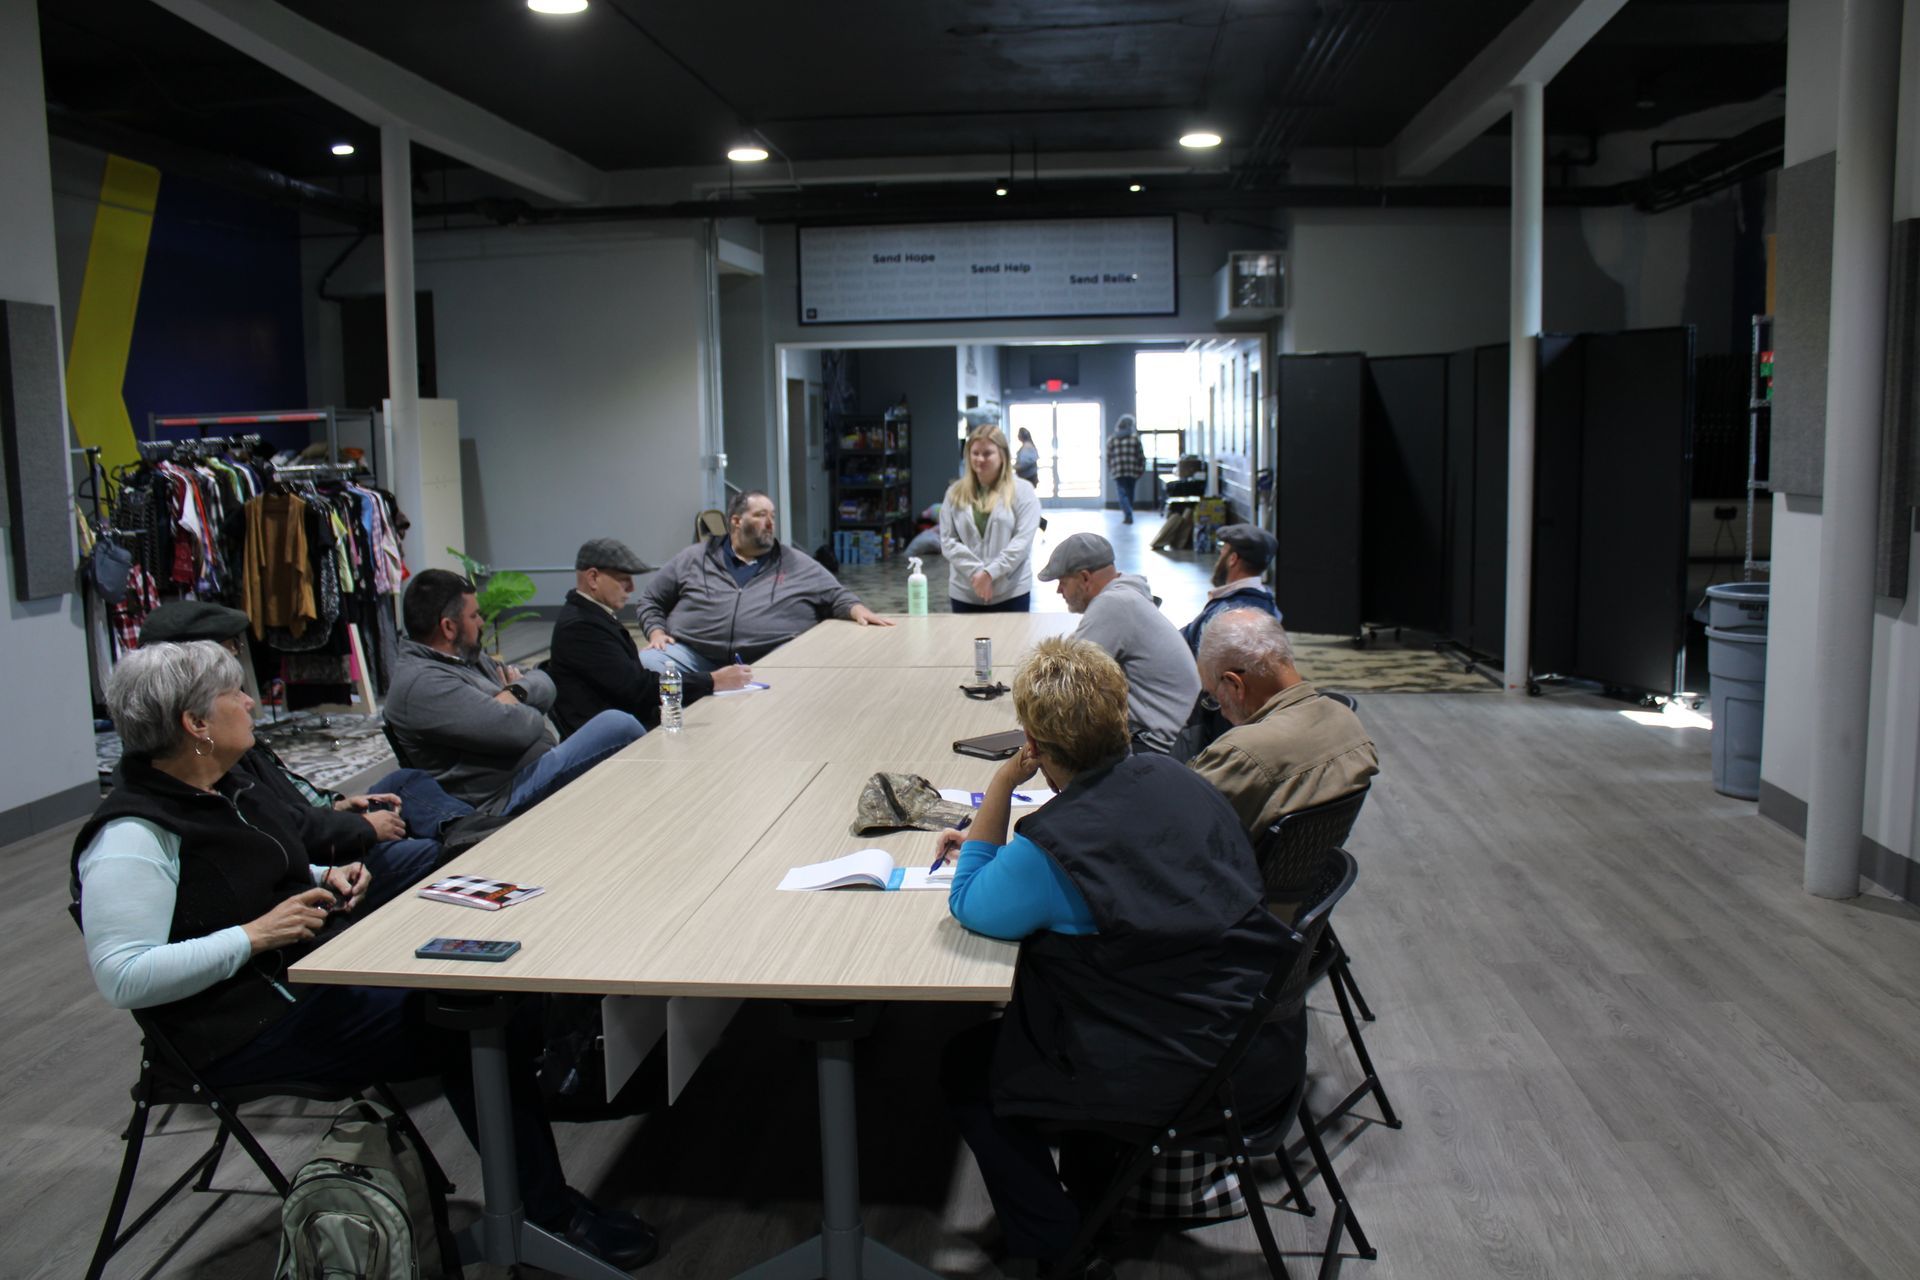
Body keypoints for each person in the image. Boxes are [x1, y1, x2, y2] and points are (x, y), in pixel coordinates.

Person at [71, 641, 658, 1268]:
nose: (250, 702)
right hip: (244, 1029)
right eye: (234, 694)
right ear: (196, 724)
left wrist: (324, 874)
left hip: (304, 974)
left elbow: (260, 865)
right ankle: (547, 1213)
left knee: (483, 982)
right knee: (464, 1014)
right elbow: (123, 975)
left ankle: (546, 1171)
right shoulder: (132, 836)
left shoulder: (226, 782)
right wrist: (254, 935)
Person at [929, 636, 1303, 1278]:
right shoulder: (1179, 777)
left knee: (968, 1064)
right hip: (1258, 1041)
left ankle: (1059, 1244)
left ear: (1034, 745)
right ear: (1120, 716)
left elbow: (970, 903)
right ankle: (1096, 1194)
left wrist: (1000, 783)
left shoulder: (1053, 849)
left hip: (1184, 1072)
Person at [137, 600, 472, 909]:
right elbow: (282, 830)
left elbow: (283, 802)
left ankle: (471, 833)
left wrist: (337, 806)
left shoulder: (217, 749)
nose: (248, 700)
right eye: (229, 651)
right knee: (425, 853)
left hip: (314, 838)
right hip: (311, 858)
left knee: (406, 783)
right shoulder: (203, 760)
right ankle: (467, 845)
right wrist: (362, 828)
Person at [385, 569, 645, 816]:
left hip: (532, 770)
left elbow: (544, 680)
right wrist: (525, 703)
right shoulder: (424, 684)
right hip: (503, 799)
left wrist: (513, 693)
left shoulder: (465, 657)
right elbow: (520, 730)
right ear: (448, 627)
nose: (482, 622)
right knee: (617, 726)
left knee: (617, 725)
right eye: (474, 616)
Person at [635, 490, 892, 676]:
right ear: (736, 521)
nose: (770, 524)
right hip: (695, 656)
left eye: (773, 516)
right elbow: (651, 600)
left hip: (770, 660)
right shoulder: (694, 558)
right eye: (760, 516)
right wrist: (656, 632)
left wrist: (857, 609)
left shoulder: (795, 562)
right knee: (646, 664)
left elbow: (836, 595)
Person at [1190, 609, 1379, 847]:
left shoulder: (1240, 753)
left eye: (1213, 696)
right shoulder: (1349, 722)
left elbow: (1177, 829)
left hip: (1239, 869)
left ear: (1235, 684)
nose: (1221, 711)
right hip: (1308, 866)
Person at [548, 537, 754, 737]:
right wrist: (712, 680)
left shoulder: (592, 617)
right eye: (623, 579)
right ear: (593, 578)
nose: (631, 588)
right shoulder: (581, 627)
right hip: (607, 740)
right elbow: (637, 688)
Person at [1037, 533, 1200, 755]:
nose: (1059, 590)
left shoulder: (1113, 604)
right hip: (1182, 734)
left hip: (1159, 745)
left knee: (1054, 748)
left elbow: (1064, 676)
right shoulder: (1127, 593)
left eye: (1062, 582)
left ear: (1085, 578)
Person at [939, 425, 1042, 613]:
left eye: (987, 453)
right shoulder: (954, 492)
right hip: (966, 592)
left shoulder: (1023, 491)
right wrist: (977, 572)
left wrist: (990, 573)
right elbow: (948, 541)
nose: (980, 459)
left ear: (1002, 455)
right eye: (975, 453)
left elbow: (1021, 542)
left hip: (1011, 592)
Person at [1179, 522, 1284, 653]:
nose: (1220, 556)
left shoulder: (1230, 615)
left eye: (1223, 550)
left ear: (1233, 559)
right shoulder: (1266, 602)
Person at [1105, 414, 1146, 524]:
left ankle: (1128, 514)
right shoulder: (1135, 439)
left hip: (1118, 472)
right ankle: (1129, 514)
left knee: (1122, 494)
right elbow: (1141, 457)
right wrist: (1141, 469)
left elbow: (1108, 457)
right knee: (1130, 494)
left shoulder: (1112, 439)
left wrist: (1111, 469)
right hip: (1133, 471)